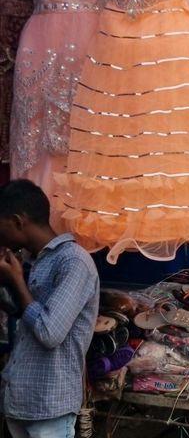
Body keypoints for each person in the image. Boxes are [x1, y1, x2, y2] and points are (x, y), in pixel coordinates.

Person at [0, 179, 99, 437]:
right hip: (20, 400)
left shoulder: (74, 262)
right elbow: (22, 312)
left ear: (18, 221)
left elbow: (49, 332)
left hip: (49, 406)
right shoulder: (35, 261)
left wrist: (18, 282)